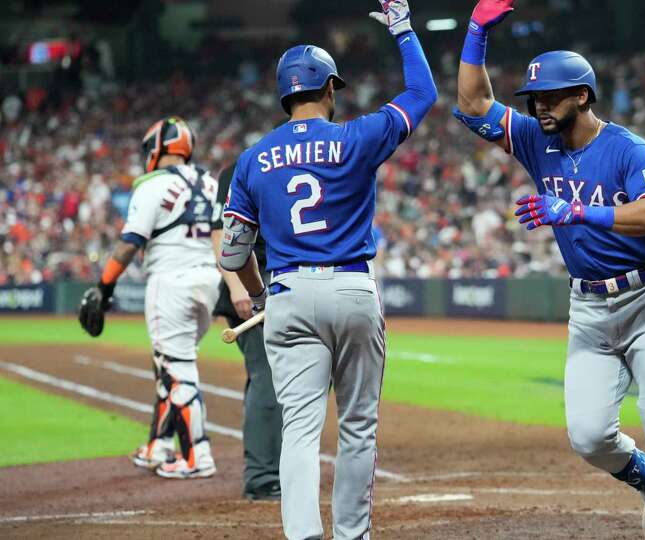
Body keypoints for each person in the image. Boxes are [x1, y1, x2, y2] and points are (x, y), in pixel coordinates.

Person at [453, 1, 645, 539]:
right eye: (534, 98)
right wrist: (476, 33)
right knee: (589, 436)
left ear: (582, 95)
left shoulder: (626, 147)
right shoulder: (534, 138)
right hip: (589, 309)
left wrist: (577, 211)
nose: (539, 106)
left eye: (550, 96)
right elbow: (475, 102)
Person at [218, 1, 436, 538]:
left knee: (299, 429)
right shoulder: (355, 138)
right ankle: (352, 534)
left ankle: (302, 533)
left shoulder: (252, 158)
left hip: (289, 294)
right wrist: (404, 30)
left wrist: (260, 293)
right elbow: (422, 94)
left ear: (284, 92)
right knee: (358, 429)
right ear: (329, 89)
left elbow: (232, 254)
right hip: (352, 289)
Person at [78, 116, 220, 480]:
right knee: (168, 365)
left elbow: (130, 244)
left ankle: (197, 455)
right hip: (209, 279)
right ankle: (160, 444)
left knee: (176, 368)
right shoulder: (209, 181)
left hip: (170, 280)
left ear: (157, 149)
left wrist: (104, 285)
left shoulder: (152, 185)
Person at [211, 160, 283, 501]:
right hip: (253, 281)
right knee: (268, 376)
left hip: (283, 280)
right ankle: (262, 477)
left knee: (281, 379)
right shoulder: (243, 165)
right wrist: (237, 286)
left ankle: (275, 466)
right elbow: (221, 230)